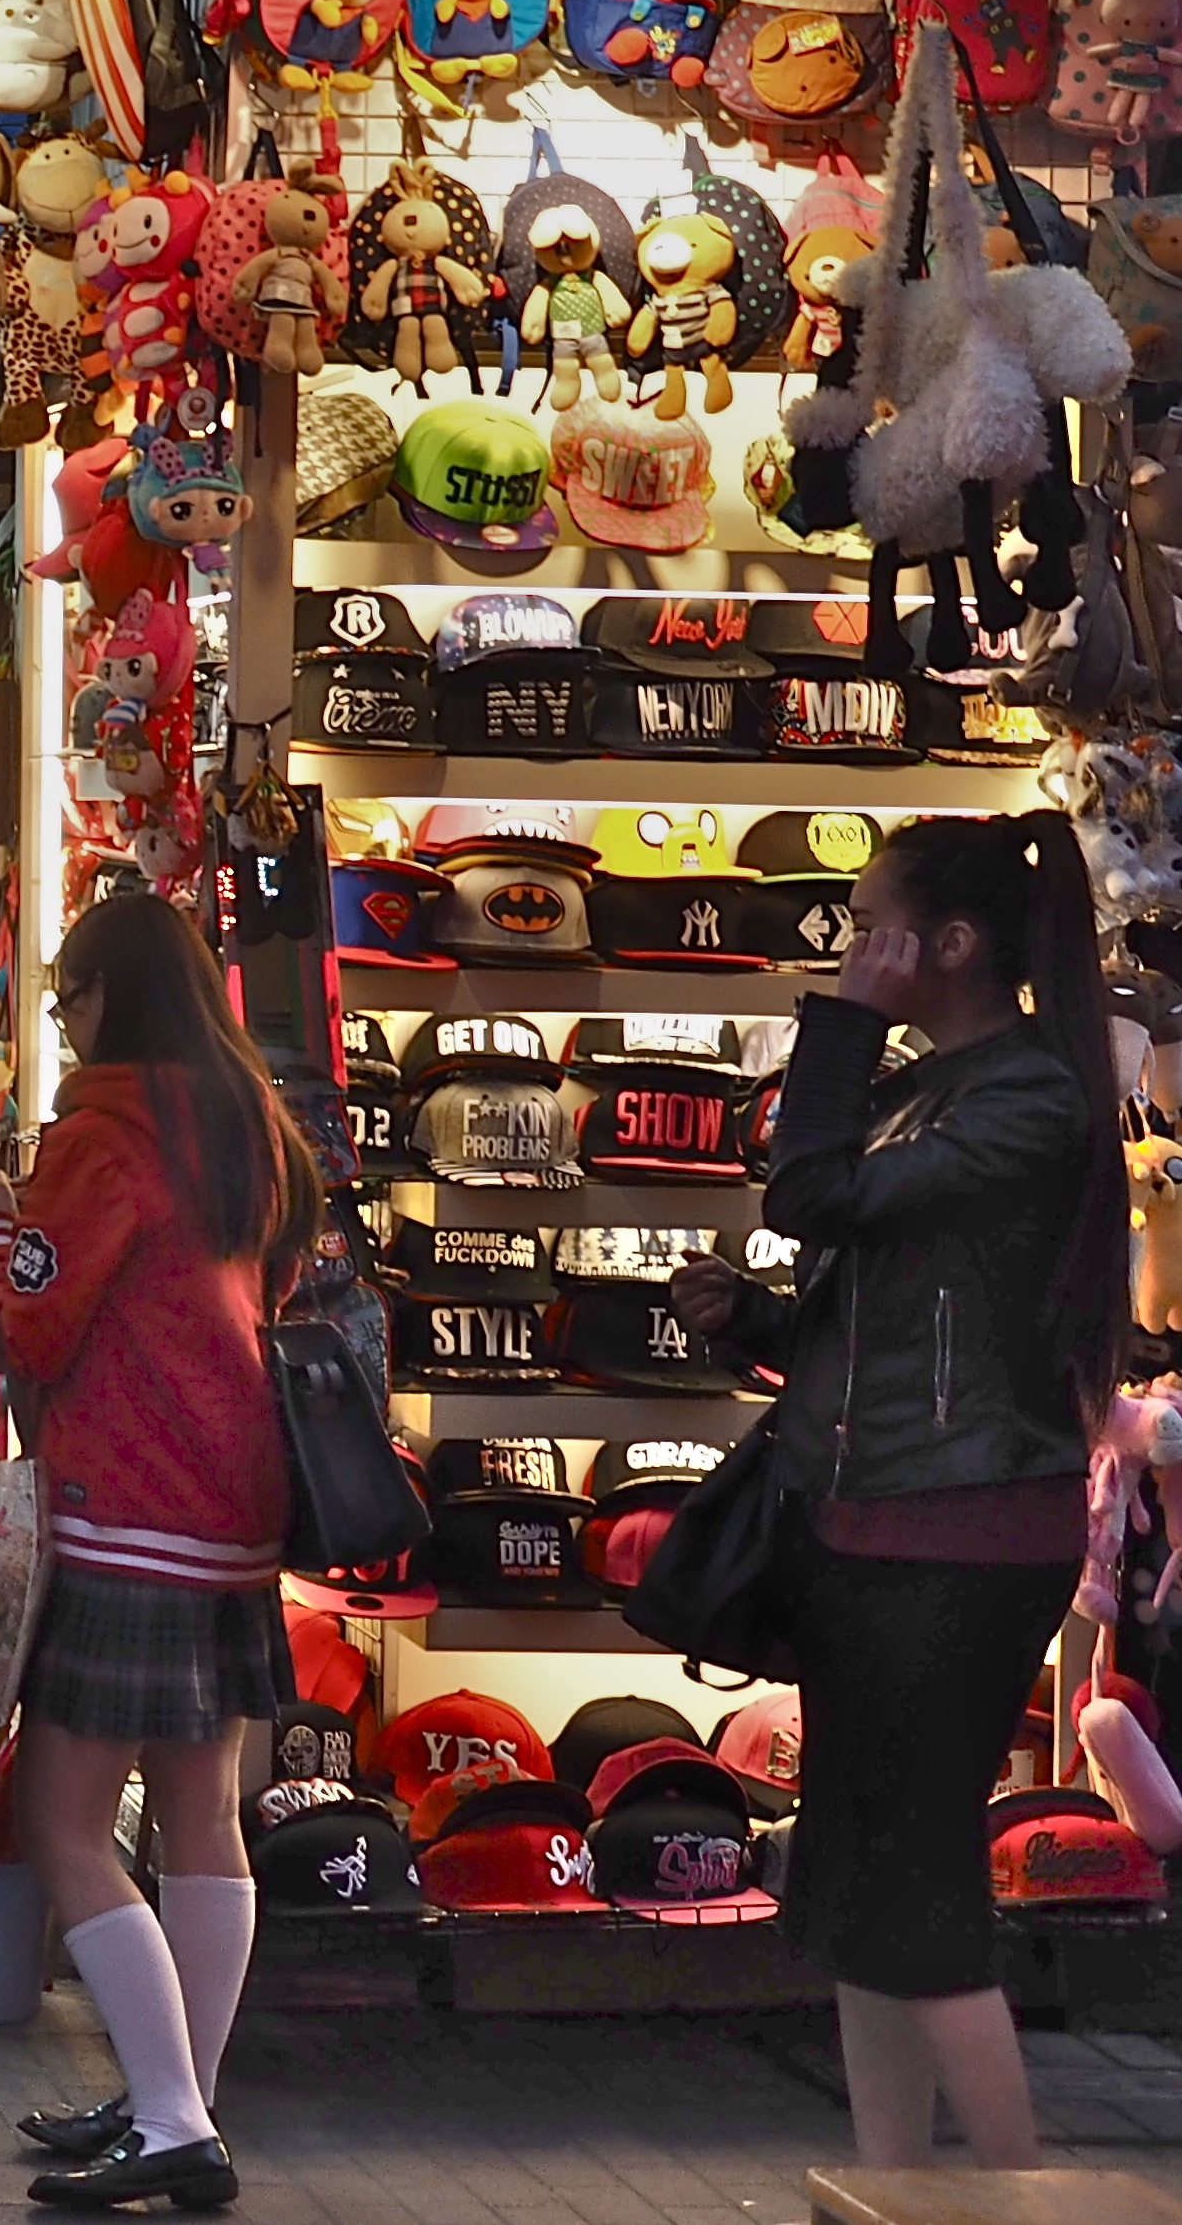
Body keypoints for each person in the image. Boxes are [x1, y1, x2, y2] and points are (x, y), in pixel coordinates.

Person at [669, 811, 1125, 2174]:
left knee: (917, 1883)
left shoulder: (1025, 1097)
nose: (853, 947)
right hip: (880, 1526)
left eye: (873, 925)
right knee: (861, 1888)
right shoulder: (948, 1091)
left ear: (954, 943)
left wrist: (840, 1024)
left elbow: (808, 1193)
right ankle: (888, 2186)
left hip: (963, 1537)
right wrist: (748, 1318)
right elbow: (892, 1320)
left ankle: (1012, 2187)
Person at [0, 890, 316, 2215]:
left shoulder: (102, 1131)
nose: (63, 1023)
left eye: (68, 1000)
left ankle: (169, 2116)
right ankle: (180, 2093)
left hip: (127, 1501)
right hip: (231, 1502)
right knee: (198, 1813)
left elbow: (34, 1326)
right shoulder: (246, 1125)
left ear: (113, 997)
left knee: (59, 1817)